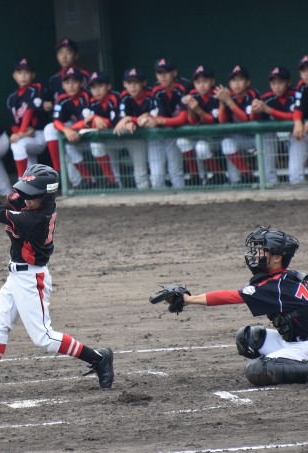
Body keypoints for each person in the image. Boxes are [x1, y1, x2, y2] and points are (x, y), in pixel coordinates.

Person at [0, 165, 114, 398]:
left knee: (44, 337)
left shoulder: (37, 219)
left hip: (31, 278)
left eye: (31, 195)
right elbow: (7, 206)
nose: (25, 198)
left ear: (45, 197)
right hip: (16, 277)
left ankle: (98, 358)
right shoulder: (33, 204)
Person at [181, 226, 308, 386]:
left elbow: (229, 296)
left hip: (304, 345)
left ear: (277, 258)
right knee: (249, 338)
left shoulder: (274, 286)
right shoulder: (291, 276)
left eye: (262, 251)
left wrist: (189, 299)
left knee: (258, 370)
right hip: (294, 341)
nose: (256, 254)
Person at [138, 58, 192, 188]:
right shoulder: (157, 89)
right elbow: (161, 114)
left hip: (187, 130)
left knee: (175, 172)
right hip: (169, 130)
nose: (163, 76)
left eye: (166, 72)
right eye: (159, 73)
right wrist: (148, 117)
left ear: (174, 73)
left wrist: (158, 120)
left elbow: (182, 119)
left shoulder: (184, 86)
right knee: (157, 178)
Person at [43, 38, 90, 180]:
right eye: (60, 52)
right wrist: (47, 105)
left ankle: (90, 180)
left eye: (68, 52)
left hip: (86, 122)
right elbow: (49, 101)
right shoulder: (54, 79)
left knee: (68, 144)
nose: (64, 56)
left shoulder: (85, 76)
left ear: (76, 55)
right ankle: (58, 171)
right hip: (66, 123)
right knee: (50, 130)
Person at [46, 67, 95, 189]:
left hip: (92, 136)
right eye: (67, 82)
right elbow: (56, 121)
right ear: (63, 85)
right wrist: (66, 130)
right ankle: (61, 172)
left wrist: (69, 129)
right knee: (52, 131)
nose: (71, 86)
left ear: (82, 83)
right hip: (74, 134)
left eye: (74, 82)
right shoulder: (62, 98)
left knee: (69, 142)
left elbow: (87, 121)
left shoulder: (88, 96)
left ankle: (109, 181)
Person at [251, 67, 301, 185]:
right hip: (274, 138)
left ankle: (297, 183)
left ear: (288, 82)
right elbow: (255, 120)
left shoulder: (297, 94)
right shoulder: (266, 98)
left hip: (297, 134)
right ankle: (270, 181)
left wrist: (269, 110)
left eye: (280, 82)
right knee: (266, 135)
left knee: (295, 175)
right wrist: (253, 111)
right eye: (273, 83)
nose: (276, 87)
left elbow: (294, 116)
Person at [180, 65, 225, 185]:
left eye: (205, 81)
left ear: (212, 81)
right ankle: (198, 177)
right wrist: (190, 109)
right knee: (185, 142)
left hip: (218, 137)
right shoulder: (192, 94)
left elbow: (215, 121)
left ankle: (220, 175)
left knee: (201, 146)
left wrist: (198, 110)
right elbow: (193, 122)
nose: (201, 85)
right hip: (202, 136)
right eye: (198, 82)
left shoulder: (217, 94)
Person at [217, 65, 261, 184]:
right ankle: (247, 176)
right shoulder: (229, 96)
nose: (237, 83)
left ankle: (269, 180)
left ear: (248, 82)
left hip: (256, 137)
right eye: (233, 80)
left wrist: (228, 101)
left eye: (240, 79)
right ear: (229, 83)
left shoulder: (252, 93)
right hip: (240, 137)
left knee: (266, 156)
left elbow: (246, 120)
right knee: (227, 143)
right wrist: (222, 103)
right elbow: (222, 121)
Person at [7, 58, 48, 178]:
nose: (23, 75)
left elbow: (30, 111)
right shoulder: (11, 98)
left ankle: (21, 180)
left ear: (33, 75)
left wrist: (20, 134)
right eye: (19, 72)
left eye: (26, 72)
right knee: (19, 146)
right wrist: (21, 134)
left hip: (39, 134)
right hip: (26, 135)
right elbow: (13, 123)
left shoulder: (36, 88)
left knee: (17, 144)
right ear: (14, 76)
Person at [113, 67, 152, 189]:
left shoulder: (151, 94)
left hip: (156, 138)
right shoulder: (124, 96)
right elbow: (120, 119)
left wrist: (129, 119)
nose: (133, 86)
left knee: (159, 172)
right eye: (129, 82)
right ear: (124, 84)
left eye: (136, 82)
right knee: (140, 172)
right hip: (137, 138)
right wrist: (128, 121)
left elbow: (154, 118)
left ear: (144, 83)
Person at [81, 71, 123, 188]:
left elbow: (116, 121)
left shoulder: (116, 97)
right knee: (96, 145)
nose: (97, 90)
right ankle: (114, 184)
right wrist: (95, 118)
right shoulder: (91, 102)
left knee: (140, 171)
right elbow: (84, 122)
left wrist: (97, 118)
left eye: (100, 85)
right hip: (108, 139)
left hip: (125, 138)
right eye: (93, 87)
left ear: (108, 86)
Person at [291, 57, 308, 183]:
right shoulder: (302, 86)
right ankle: (296, 182)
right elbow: (298, 108)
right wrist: (297, 122)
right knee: (298, 136)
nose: (306, 74)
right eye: (303, 71)